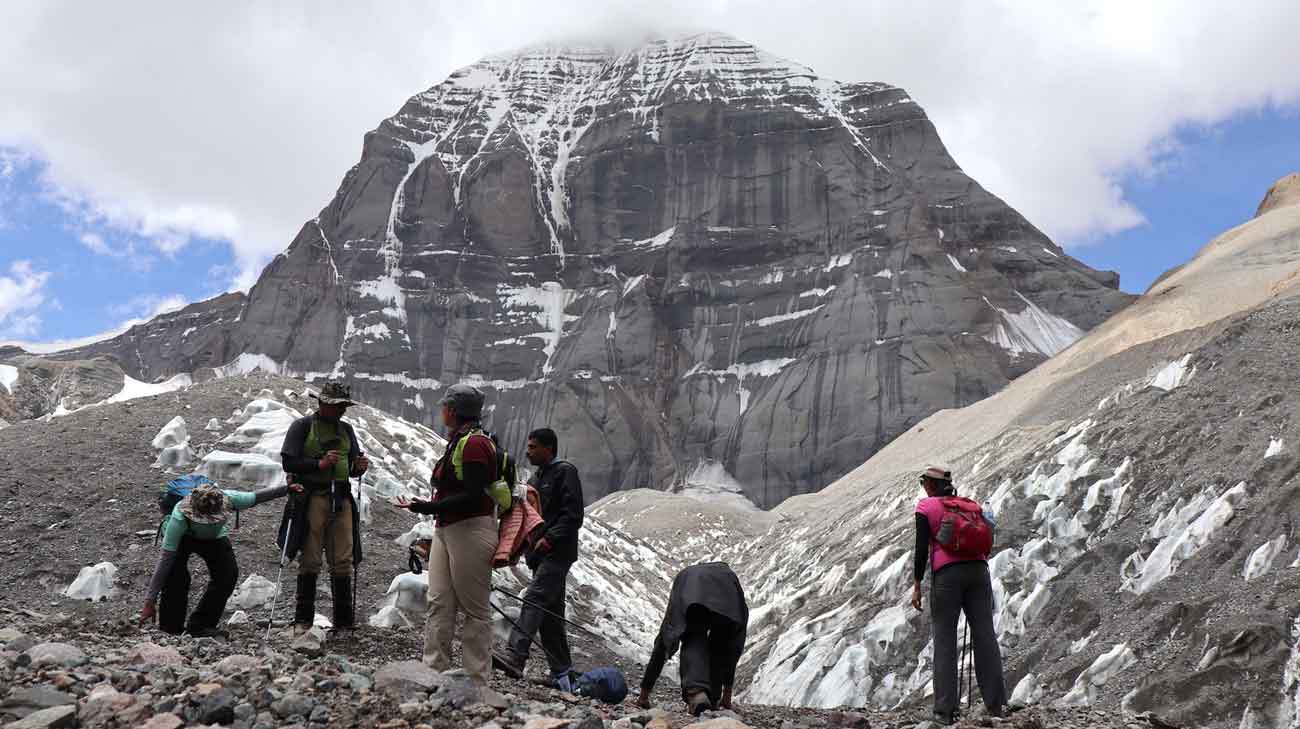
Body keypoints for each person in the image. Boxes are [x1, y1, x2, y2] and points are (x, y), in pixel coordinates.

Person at [396, 384, 499, 687]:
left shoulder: (475, 445)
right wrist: (431, 509)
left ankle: (477, 681)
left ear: (452, 410)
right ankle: (433, 673)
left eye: (444, 407)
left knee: (474, 609)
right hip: (447, 529)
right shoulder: (461, 441)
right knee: (439, 601)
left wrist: (427, 506)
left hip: (470, 530)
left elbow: (471, 495)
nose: (441, 411)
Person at [910, 466, 1007, 724]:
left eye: (924, 482)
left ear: (930, 485)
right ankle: (997, 705)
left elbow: (921, 549)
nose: (923, 487)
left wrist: (917, 584)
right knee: (985, 634)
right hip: (979, 572)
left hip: (947, 576)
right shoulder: (969, 505)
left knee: (944, 639)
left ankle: (945, 711)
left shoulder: (926, 507)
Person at [141, 481, 297, 636]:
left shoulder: (230, 498)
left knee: (227, 575)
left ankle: (200, 626)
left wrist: (288, 489)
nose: (207, 522)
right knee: (176, 577)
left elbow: (258, 497)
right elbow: (164, 561)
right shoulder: (178, 518)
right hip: (183, 537)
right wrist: (150, 601)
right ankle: (171, 628)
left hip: (214, 537)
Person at [493, 427, 584, 683]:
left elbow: (573, 515)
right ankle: (562, 673)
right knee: (550, 616)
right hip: (540, 554)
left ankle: (515, 655)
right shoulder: (535, 480)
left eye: (533, 447)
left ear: (549, 448)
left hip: (557, 552)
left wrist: (550, 538)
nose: (528, 451)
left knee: (534, 598)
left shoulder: (565, 472)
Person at [278, 381, 370, 633]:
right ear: (322, 404)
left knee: (342, 558)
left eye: (343, 406)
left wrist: (358, 466)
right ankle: (303, 619)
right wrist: (319, 464)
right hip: (312, 497)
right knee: (310, 557)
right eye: (337, 405)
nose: (341, 410)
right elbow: (289, 462)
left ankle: (343, 622)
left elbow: (351, 465)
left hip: (340, 498)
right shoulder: (302, 426)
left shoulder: (346, 430)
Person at [637, 562, 748, 716]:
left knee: (693, 635)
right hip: (729, 600)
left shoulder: (685, 577)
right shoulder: (729, 577)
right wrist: (726, 696)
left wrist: (644, 694)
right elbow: (734, 647)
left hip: (692, 591)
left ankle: (697, 693)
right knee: (721, 644)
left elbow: (666, 636)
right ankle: (712, 698)